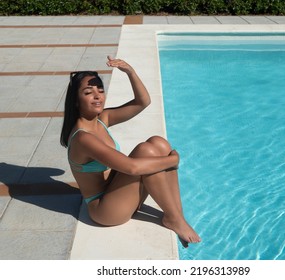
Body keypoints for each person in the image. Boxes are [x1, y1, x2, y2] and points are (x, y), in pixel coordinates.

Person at [60, 56, 201, 246]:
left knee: (158, 143)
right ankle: (174, 218)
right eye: (88, 92)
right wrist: (173, 161)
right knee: (146, 152)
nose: (97, 96)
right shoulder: (83, 138)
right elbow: (132, 168)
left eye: (100, 91)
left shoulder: (103, 118)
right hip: (104, 209)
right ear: (76, 101)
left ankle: (175, 214)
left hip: (116, 190)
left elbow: (142, 102)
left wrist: (130, 72)